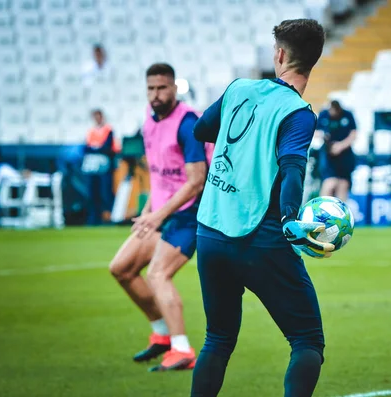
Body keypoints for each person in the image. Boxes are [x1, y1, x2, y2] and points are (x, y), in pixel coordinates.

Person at [191, 19, 333, 397]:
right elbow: (292, 168)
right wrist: (290, 218)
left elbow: (201, 130)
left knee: (217, 340)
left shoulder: (239, 88)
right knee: (306, 341)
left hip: (209, 232)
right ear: (312, 62)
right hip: (260, 238)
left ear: (280, 54)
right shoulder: (298, 112)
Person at [108, 63, 212, 372]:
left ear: (174, 88)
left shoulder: (188, 124)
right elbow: (160, 171)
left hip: (189, 214)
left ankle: (182, 350)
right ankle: (163, 336)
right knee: (121, 269)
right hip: (162, 212)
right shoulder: (148, 119)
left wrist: (158, 214)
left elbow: (196, 180)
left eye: (162, 88)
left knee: (157, 275)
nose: (156, 94)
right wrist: (148, 209)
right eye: (151, 88)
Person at [82, 109, 119, 225]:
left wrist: (96, 148)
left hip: (105, 167)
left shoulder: (108, 130)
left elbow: (108, 147)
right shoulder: (91, 131)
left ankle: (108, 218)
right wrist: (97, 148)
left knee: (106, 192)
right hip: (92, 168)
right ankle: (94, 218)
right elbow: (87, 148)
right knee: (93, 193)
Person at [317, 100, 357, 202]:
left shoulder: (347, 115)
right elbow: (315, 131)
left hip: (345, 155)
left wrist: (340, 146)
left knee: (343, 185)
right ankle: (323, 211)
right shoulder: (324, 115)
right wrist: (323, 136)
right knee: (329, 183)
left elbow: (353, 134)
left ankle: (340, 214)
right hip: (328, 155)